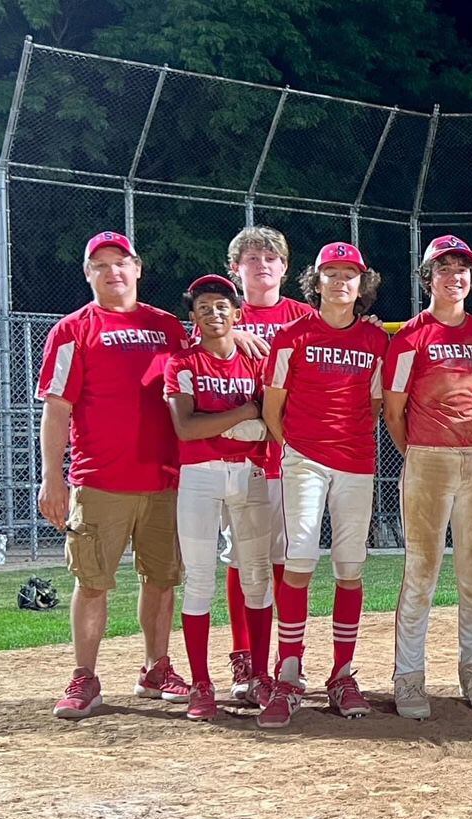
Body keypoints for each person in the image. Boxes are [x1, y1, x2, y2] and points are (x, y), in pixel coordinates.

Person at [40, 231, 192, 719]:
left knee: (162, 578)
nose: (113, 272)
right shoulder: (73, 329)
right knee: (93, 581)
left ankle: (156, 666)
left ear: (138, 268)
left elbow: (208, 366)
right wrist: (53, 477)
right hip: (100, 477)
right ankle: (85, 675)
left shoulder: (167, 326)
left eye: (121, 262)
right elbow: (57, 409)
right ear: (88, 273)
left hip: (165, 476)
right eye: (100, 264)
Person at [258, 242, 388, 728]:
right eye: (330, 273)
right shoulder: (293, 335)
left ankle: (342, 673)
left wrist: (344, 437)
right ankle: (289, 672)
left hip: (356, 463)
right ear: (316, 281)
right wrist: (295, 448)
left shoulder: (376, 340)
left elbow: (375, 405)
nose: (340, 282)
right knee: (299, 559)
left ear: (362, 284)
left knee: (350, 567)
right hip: (306, 460)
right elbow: (274, 406)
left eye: (349, 274)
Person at [383, 235, 472, 719]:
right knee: (422, 570)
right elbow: (393, 411)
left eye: (463, 269)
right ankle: (409, 677)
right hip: (428, 457)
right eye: (444, 269)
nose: (455, 277)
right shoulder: (411, 336)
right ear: (428, 277)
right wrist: (418, 453)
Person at [164, 275, 274, 720]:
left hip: (248, 473)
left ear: (238, 313)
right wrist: (245, 413)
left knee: (256, 575)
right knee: (200, 578)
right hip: (200, 476)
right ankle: (201, 684)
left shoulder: (255, 362)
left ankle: (260, 676)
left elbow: (272, 418)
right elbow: (186, 428)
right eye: (204, 306)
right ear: (193, 317)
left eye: (223, 305)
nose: (214, 313)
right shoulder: (183, 363)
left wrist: (227, 421)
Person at [218, 226, 313, 700]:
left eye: (272, 256)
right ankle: (245, 658)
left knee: (290, 558)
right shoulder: (221, 316)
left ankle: (288, 657)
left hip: (296, 455)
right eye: (252, 257)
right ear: (236, 269)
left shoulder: (305, 316)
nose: (262, 264)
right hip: (241, 455)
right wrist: (230, 330)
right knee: (244, 559)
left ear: (285, 268)